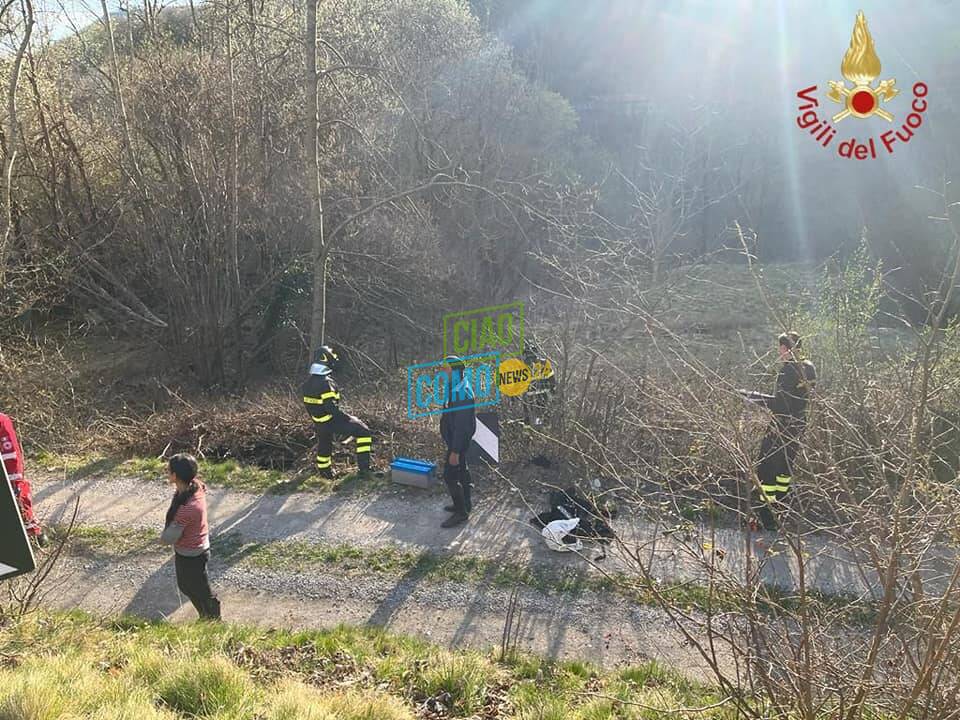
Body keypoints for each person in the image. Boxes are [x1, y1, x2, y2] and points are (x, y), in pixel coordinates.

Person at [740, 332, 817, 526]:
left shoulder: (788, 370)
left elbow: (780, 405)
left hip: (781, 426)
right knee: (785, 469)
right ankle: (781, 510)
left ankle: (765, 516)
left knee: (767, 468)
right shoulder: (810, 368)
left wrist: (753, 397)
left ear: (784, 348)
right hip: (799, 424)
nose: (779, 353)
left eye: (780, 349)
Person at [160, 453, 221, 620]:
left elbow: (168, 539)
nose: (167, 472)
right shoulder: (196, 485)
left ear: (175, 476)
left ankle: (213, 618)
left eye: (168, 470)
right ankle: (205, 615)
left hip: (193, 553)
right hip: (191, 548)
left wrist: (162, 537)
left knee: (200, 589)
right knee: (186, 586)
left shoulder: (187, 508)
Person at [301, 344, 374, 479]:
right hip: (330, 420)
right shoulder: (325, 383)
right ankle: (364, 471)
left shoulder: (307, 384)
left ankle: (325, 475)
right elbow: (332, 409)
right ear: (327, 360)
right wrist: (349, 418)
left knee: (324, 445)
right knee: (364, 431)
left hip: (318, 422)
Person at [439, 355, 477, 528]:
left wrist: (454, 451)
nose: (442, 372)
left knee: (450, 475)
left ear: (455, 371)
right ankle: (465, 504)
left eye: (445, 369)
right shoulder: (454, 386)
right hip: (455, 440)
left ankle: (461, 512)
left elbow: (461, 426)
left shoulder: (461, 393)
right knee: (462, 471)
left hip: (458, 442)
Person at [0, 412, 47, 546]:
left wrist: (12, 479)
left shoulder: (1, 421)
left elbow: (10, 453)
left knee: (18, 491)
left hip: (7, 472)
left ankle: (32, 530)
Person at [521, 342, 556, 427]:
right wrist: (553, 391)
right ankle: (538, 430)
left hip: (532, 395)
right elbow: (551, 380)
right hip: (540, 394)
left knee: (532, 418)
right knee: (539, 417)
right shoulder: (544, 363)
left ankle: (533, 431)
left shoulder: (522, 366)